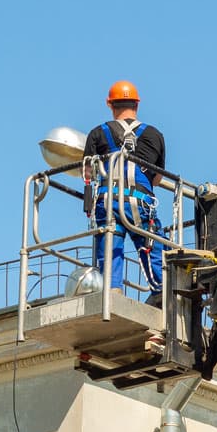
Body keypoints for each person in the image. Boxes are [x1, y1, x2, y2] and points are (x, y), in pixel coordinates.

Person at [83, 80, 166, 308]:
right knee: (151, 244)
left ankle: (112, 292)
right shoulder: (153, 134)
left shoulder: (98, 133)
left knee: (110, 244)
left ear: (110, 105)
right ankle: (161, 289)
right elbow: (157, 179)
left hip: (107, 200)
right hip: (140, 201)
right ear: (137, 105)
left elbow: (88, 174)